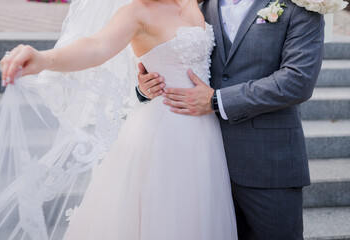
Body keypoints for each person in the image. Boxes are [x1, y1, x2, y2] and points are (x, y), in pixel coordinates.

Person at [0, 0, 238, 239]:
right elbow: (96, 46)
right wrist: (45, 59)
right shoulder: (137, 12)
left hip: (206, 131)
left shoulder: (199, 3)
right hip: (164, 136)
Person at [137, 0, 326, 239]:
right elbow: (173, 58)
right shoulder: (195, 5)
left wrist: (217, 100)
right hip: (199, 164)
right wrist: (147, 88)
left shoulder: (302, 5)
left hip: (268, 162)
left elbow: (297, 81)